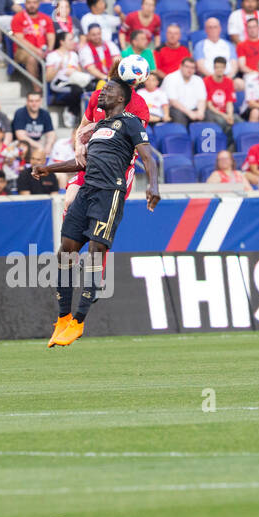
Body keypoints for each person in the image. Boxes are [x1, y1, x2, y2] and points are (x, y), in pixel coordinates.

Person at [31, 78, 160, 346]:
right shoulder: (99, 127)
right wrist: (48, 168)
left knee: (94, 254)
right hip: (87, 191)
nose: (102, 94)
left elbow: (148, 157)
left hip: (108, 194)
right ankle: (63, 317)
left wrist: (153, 187)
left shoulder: (131, 123)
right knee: (65, 251)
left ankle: (79, 321)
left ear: (122, 98)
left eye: (108, 90)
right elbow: (82, 163)